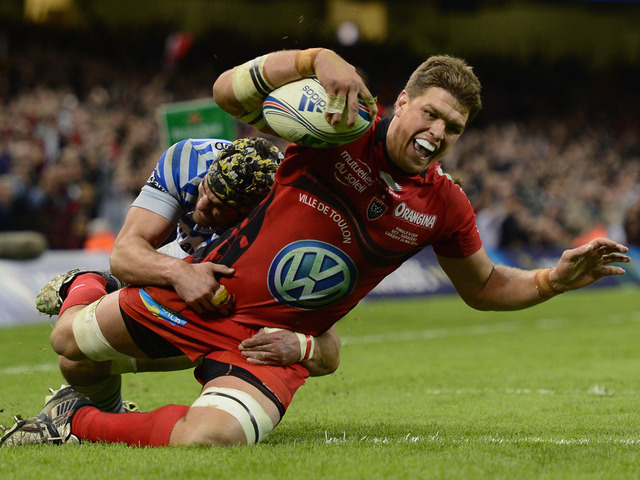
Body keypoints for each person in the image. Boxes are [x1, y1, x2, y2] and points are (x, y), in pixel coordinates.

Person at [1, 48, 629, 448]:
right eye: (431, 115)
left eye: (454, 128)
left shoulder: (444, 205)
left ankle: (71, 426)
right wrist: (310, 57)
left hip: (275, 344)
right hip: (206, 296)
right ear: (402, 102)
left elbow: (486, 286)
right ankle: (94, 290)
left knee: (211, 439)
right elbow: (229, 95)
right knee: (69, 347)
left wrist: (550, 281)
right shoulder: (338, 124)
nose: (438, 133)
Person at [33, 136, 341, 414]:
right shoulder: (187, 158)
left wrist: (300, 346)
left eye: (221, 207)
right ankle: (89, 284)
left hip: (225, 316)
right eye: (207, 188)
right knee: (75, 359)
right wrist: (178, 272)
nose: (202, 205)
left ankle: (94, 289)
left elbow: (330, 351)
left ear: (252, 214)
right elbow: (125, 253)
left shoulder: (284, 232)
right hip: (178, 264)